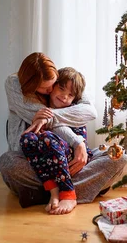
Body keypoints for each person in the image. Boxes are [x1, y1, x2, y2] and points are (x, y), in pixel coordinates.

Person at [0, 52, 127, 209]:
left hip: (70, 164)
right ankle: (71, 189)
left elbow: (90, 111)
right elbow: (43, 120)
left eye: (54, 83)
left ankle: (43, 193)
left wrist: (76, 141)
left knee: (119, 155)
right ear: (31, 84)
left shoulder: (65, 81)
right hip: (35, 163)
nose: (51, 89)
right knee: (7, 162)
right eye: (46, 87)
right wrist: (76, 141)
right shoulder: (15, 86)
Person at [20, 67, 93, 214]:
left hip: (71, 158)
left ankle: (68, 193)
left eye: (70, 95)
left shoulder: (74, 111)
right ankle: (53, 191)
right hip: (45, 159)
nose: (65, 96)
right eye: (61, 88)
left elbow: (80, 146)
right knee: (26, 138)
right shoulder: (40, 107)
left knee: (47, 137)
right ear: (51, 87)